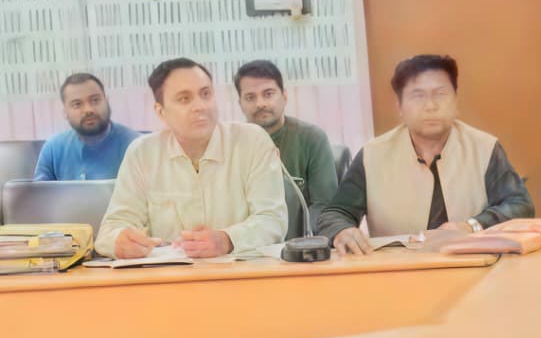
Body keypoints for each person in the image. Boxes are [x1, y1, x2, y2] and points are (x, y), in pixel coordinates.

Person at [316, 54, 541, 255]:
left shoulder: (484, 147)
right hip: (397, 271)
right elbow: (335, 213)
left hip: (475, 263)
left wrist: (471, 226)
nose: (431, 106)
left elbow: (520, 205)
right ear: (400, 107)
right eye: (418, 96)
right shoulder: (372, 155)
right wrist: (342, 231)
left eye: (440, 94)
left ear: (456, 101)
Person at [95, 58, 288, 259]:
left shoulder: (252, 141)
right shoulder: (142, 153)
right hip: (169, 276)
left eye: (206, 94)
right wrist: (120, 241)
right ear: (161, 112)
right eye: (184, 99)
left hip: (243, 272)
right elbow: (111, 230)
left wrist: (227, 240)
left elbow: (273, 220)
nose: (200, 106)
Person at [235, 59, 338, 235]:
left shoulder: (312, 138)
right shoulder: (232, 145)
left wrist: (302, 242)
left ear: (284, 96)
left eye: (268, 94)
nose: (260, 103)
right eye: (250, 97)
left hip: (300, 245)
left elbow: (324, 205)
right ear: (240, 104)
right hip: (250, 244)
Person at [34, 73, 140, 180]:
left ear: (107, 101)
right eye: (77, 104)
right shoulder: (53, 148)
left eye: (95, 100)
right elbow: (39, 190)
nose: (88, 110)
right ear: (65, 112)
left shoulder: (136, 145)